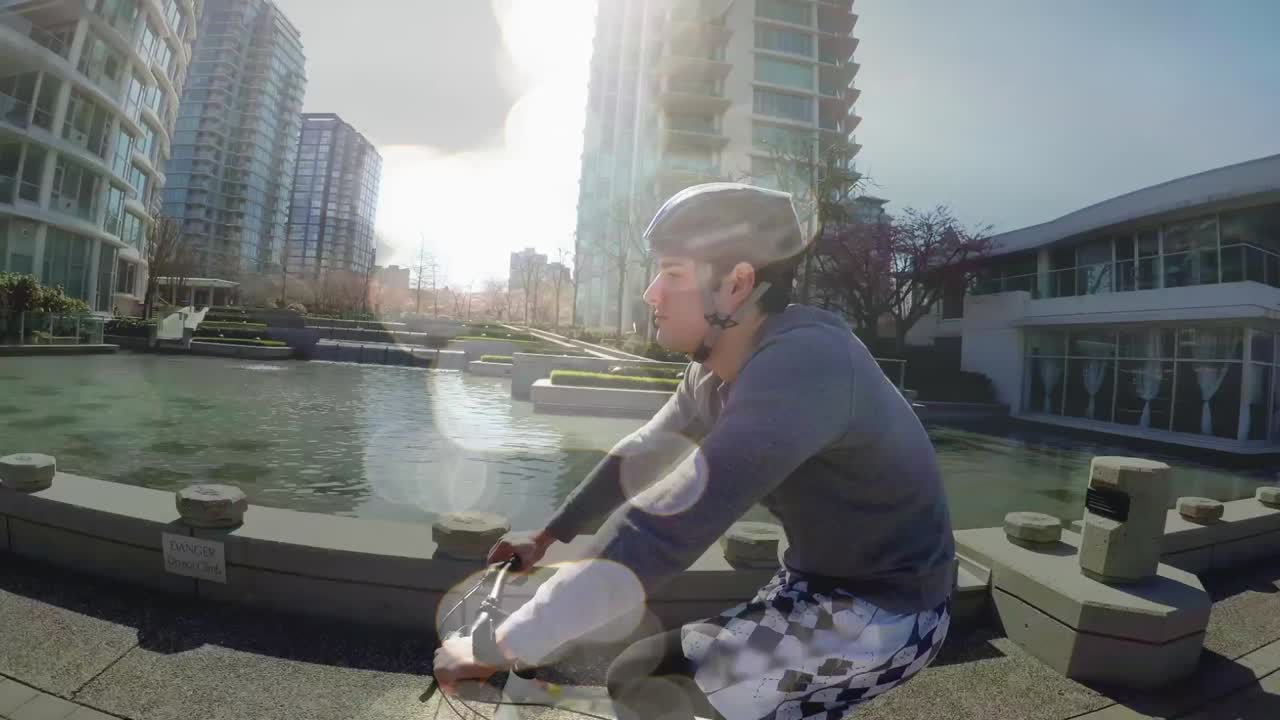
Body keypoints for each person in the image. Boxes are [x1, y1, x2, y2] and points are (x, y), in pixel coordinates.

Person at [433, 183, 955, 720]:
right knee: (665, 684)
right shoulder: (712, 371)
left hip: (890, 608)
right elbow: (641, 454)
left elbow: (664, 524)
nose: (651, 293)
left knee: (651, 684)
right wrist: (547, 533)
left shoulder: (807, 362)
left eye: (673, 273)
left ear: (736, 285)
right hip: (814, 582)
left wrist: (501, 644)